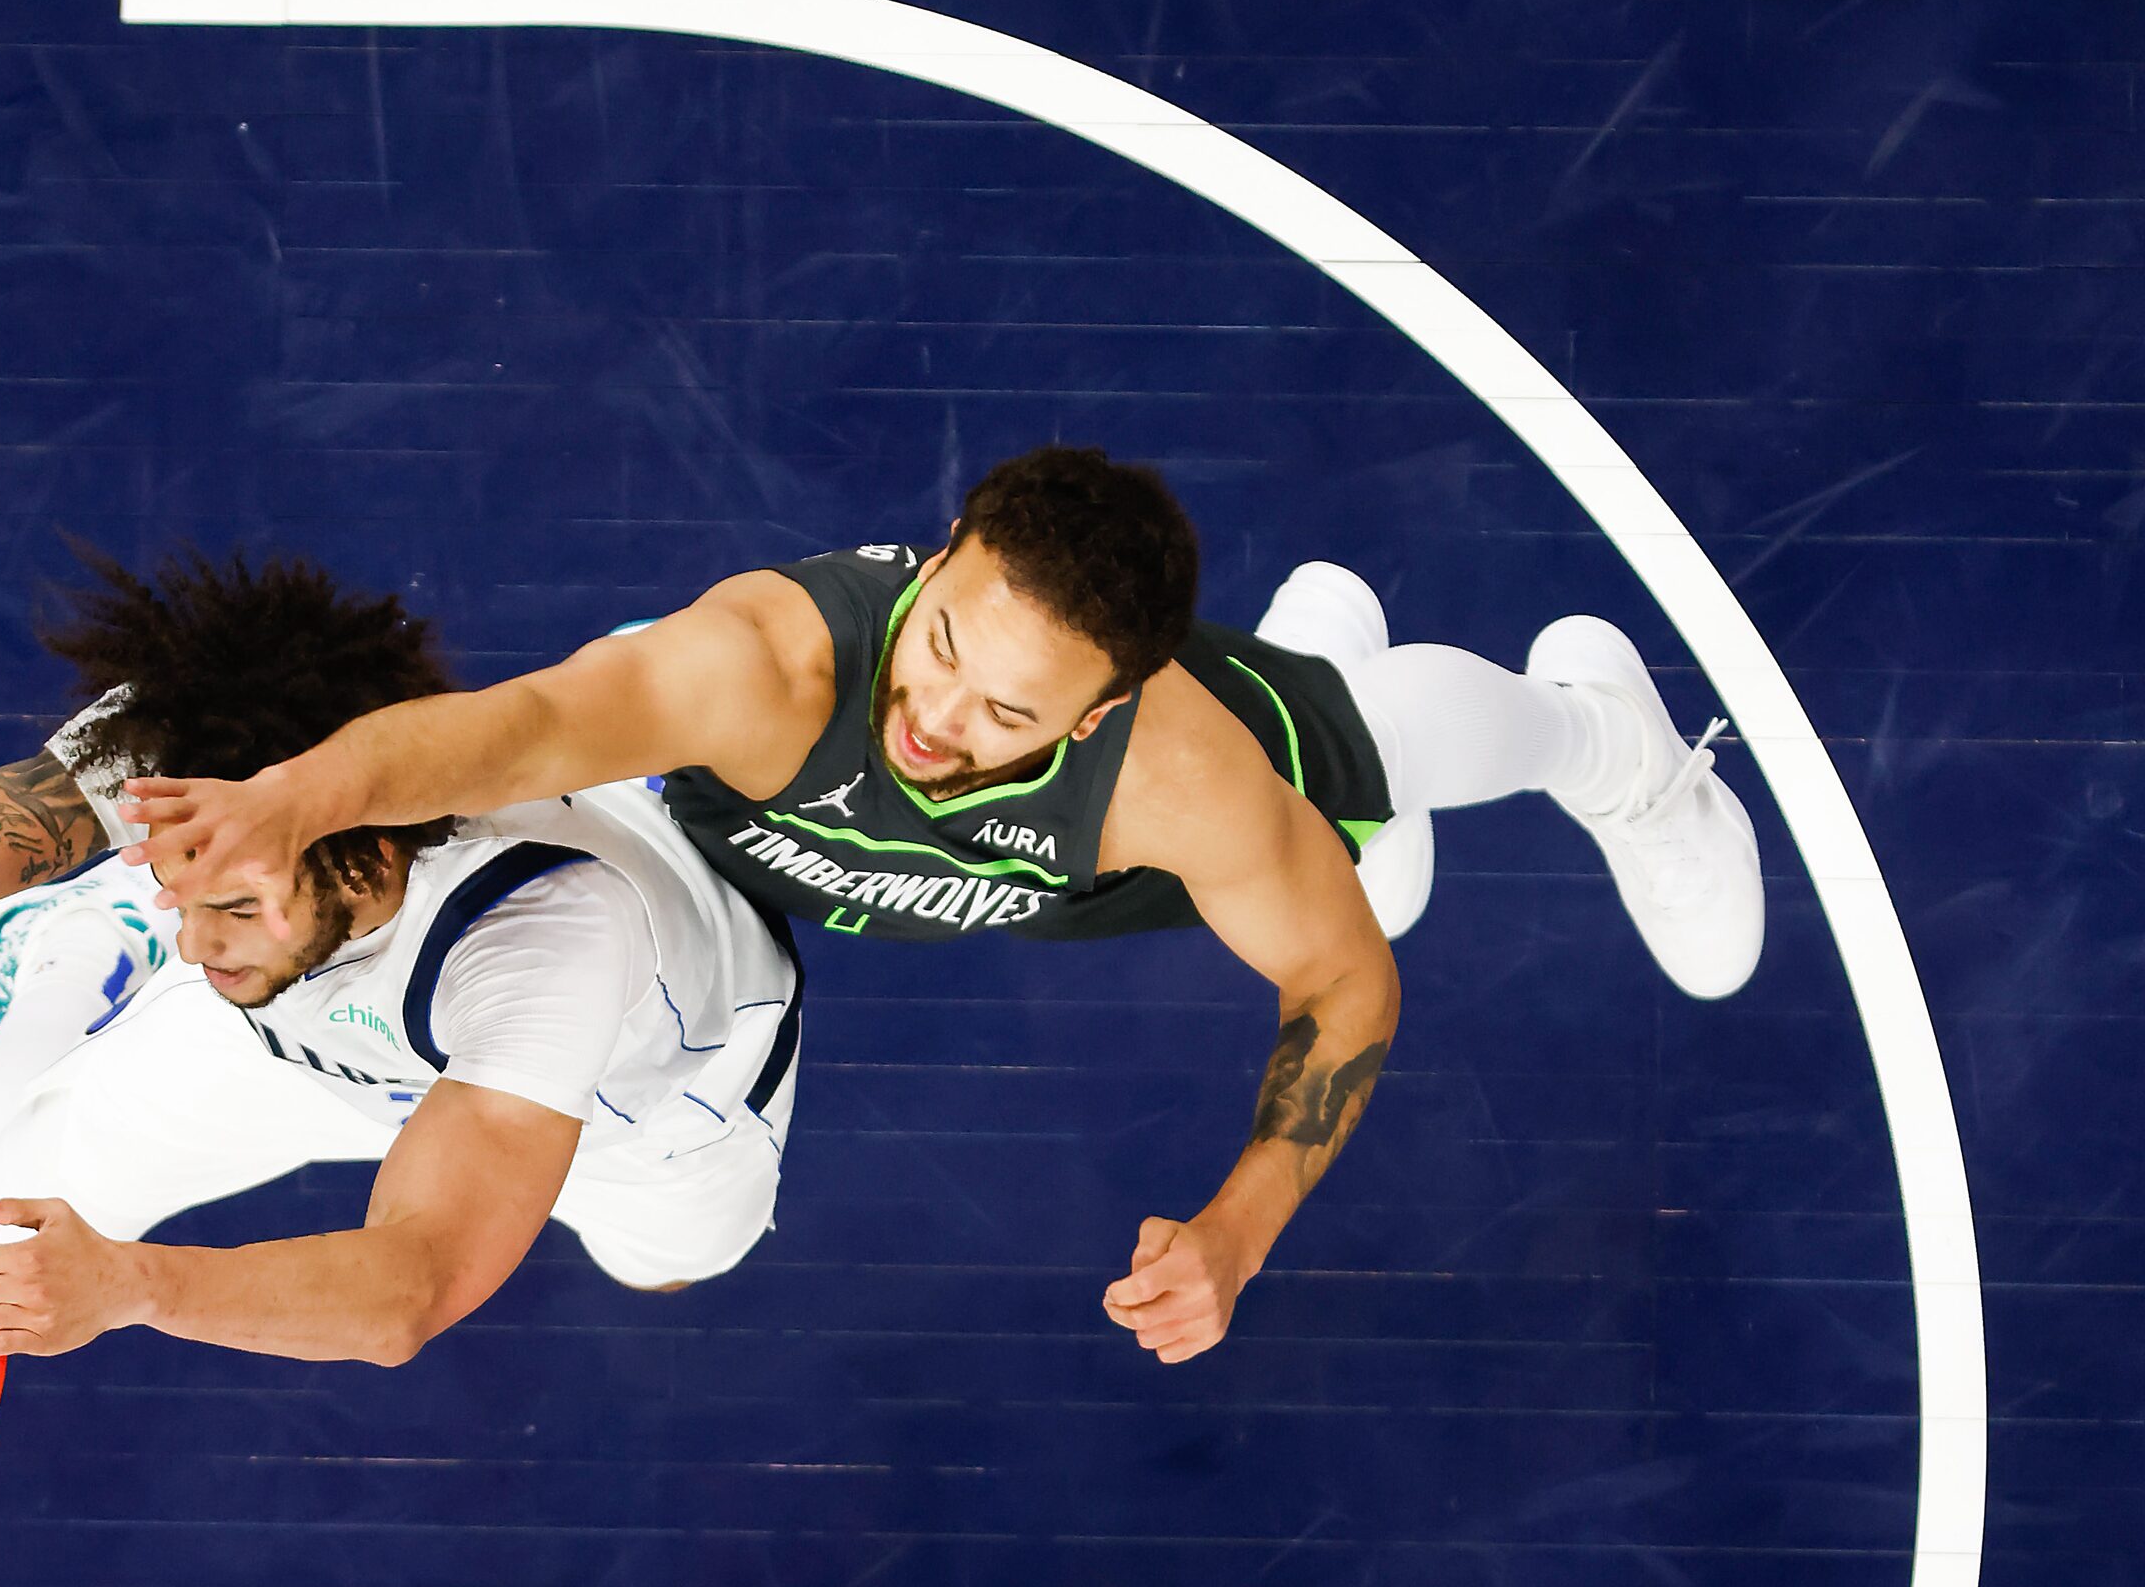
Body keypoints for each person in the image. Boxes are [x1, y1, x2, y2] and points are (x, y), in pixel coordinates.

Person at [125, 446, 1763, 1366]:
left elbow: (1341, 992)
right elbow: (532, 725)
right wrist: (308, 788)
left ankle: (1601, 733)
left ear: (1108, 707)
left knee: (1377, 758)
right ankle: (1332, 677)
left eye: (1003, 712)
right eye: (943, 646)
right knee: (1343, 830)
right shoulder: (766, 672)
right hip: (899, 878)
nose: (934, 719)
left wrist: (1241, 1230)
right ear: (939, 563)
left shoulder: (1170, 774)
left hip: (1090, 871)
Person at [0, 543, 801, 1363]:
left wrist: (136, 1286)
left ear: (364, 857)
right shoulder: (209, 762)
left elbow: (414, 1283)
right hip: (308, 1030)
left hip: (636, 1097)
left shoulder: (550, 938)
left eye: (224, 904)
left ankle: (650, 738)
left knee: (671, 1270)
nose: (196, 932)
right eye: (175, 892)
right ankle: (79, 942)